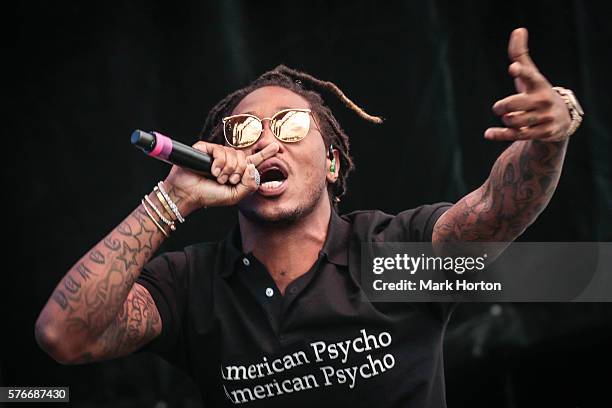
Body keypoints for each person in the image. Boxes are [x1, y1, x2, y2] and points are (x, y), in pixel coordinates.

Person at [35, 28, 583, 407]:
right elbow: (64, 336)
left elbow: (495, 207)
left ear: (331, 161)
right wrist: (172, 199)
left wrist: (551, 136)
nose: (268, 141)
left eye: (291, 125)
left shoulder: (393, 252)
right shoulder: (190, 286)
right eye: (244, 133)